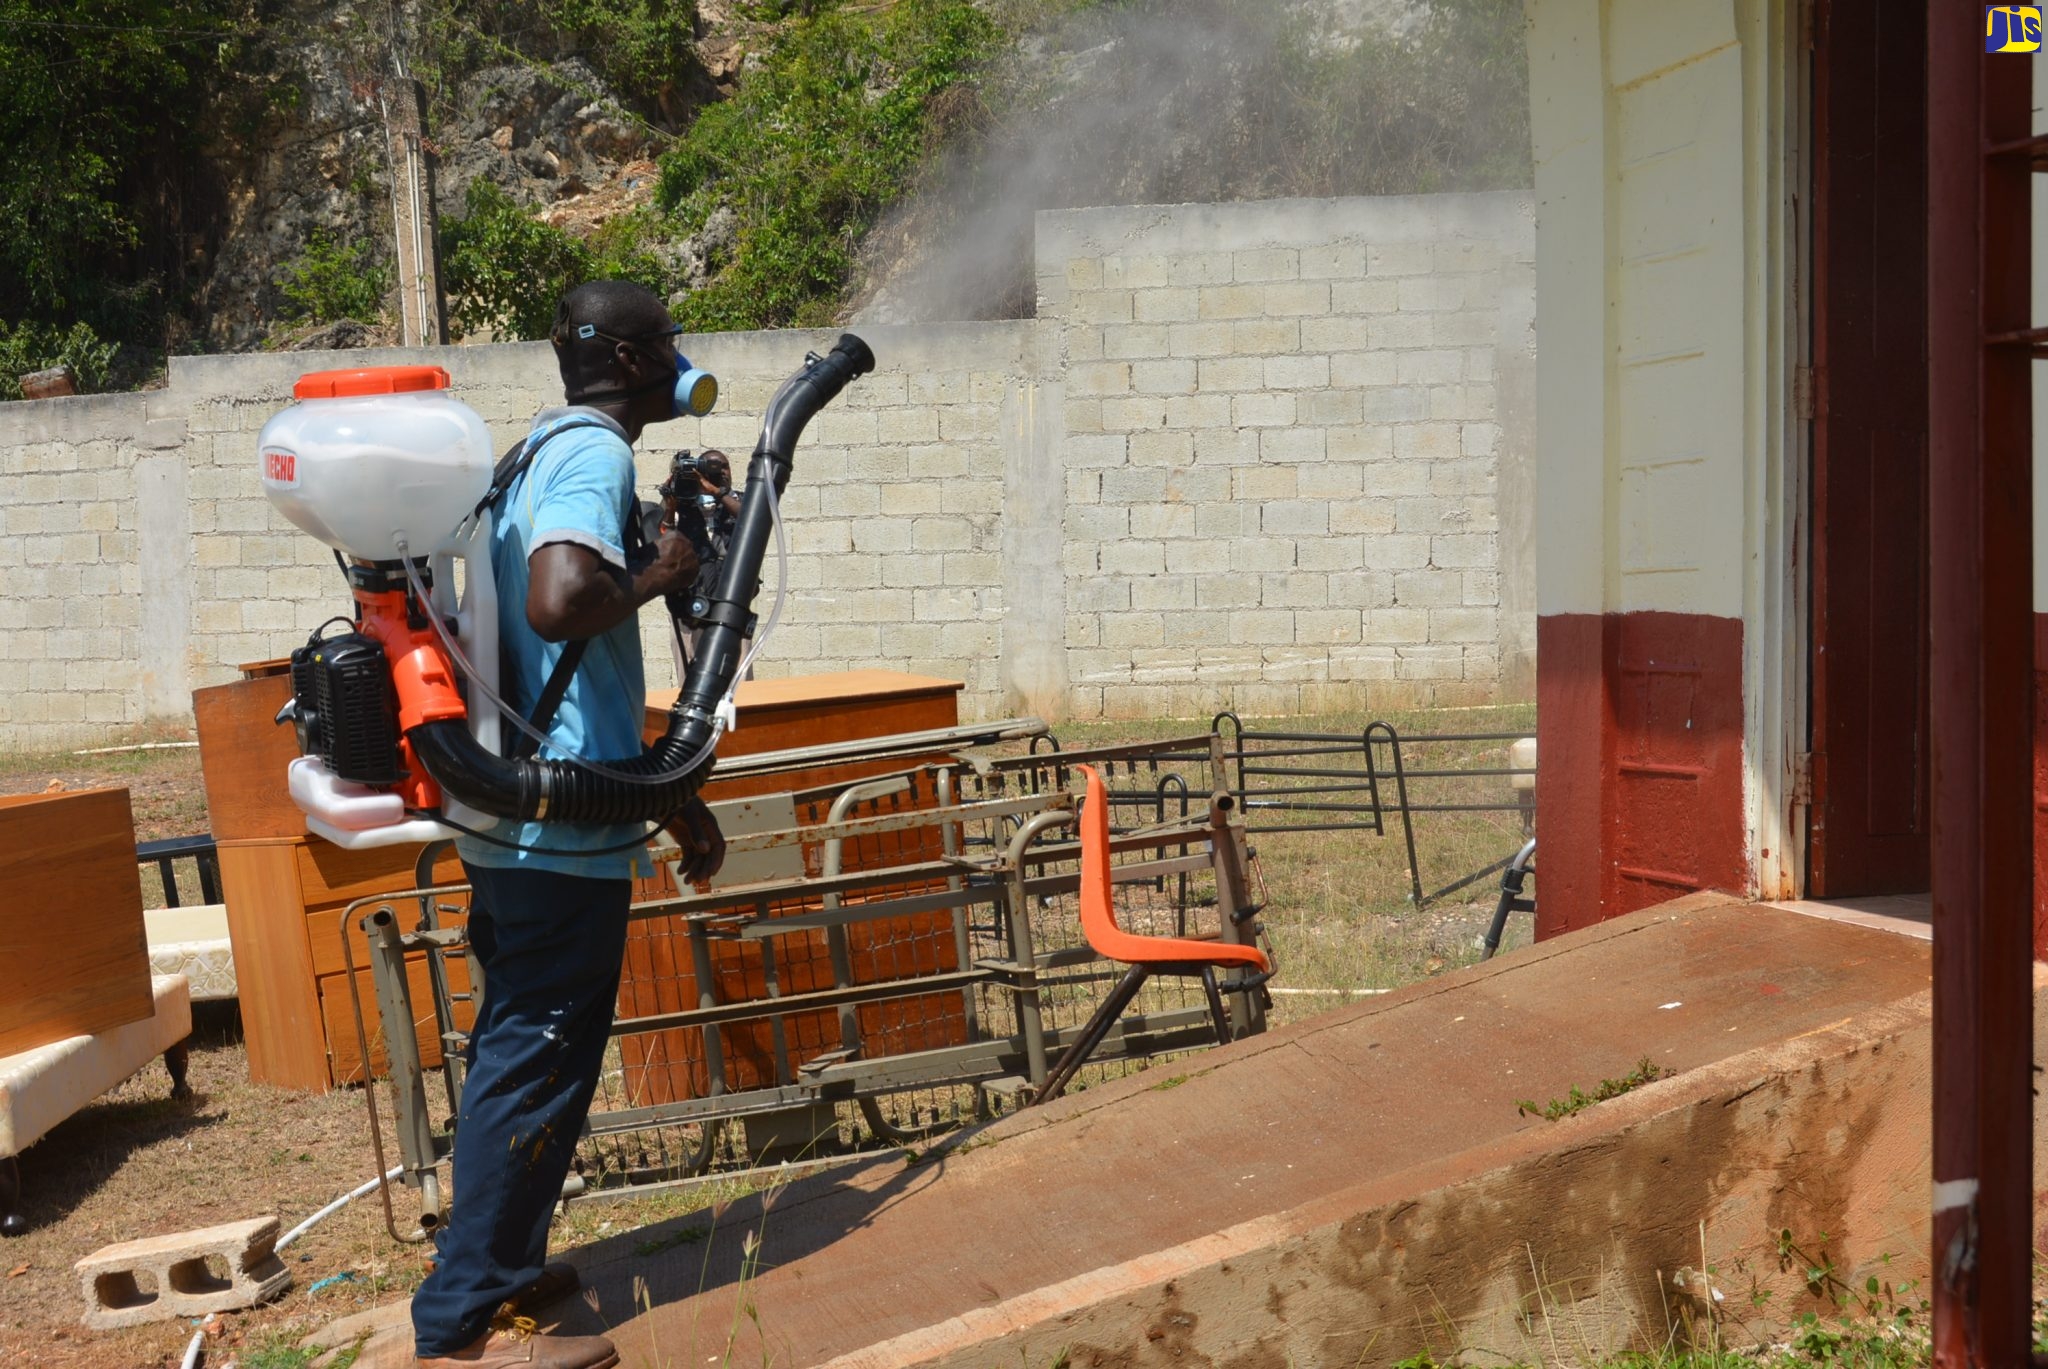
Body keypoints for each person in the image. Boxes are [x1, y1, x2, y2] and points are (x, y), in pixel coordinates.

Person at [408, 280, 727, 1369]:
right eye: (669, 343)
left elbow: (568, 677)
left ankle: (503, 1259)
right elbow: (557, 605)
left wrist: (676, 799)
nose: (680, 357)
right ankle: (457, 1323)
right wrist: (662, 572)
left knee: (525, 1050)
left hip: (523, 816)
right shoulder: (592, 454)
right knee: (534, 1059)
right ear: (639, 362)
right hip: (557, 836)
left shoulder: (530, 450)